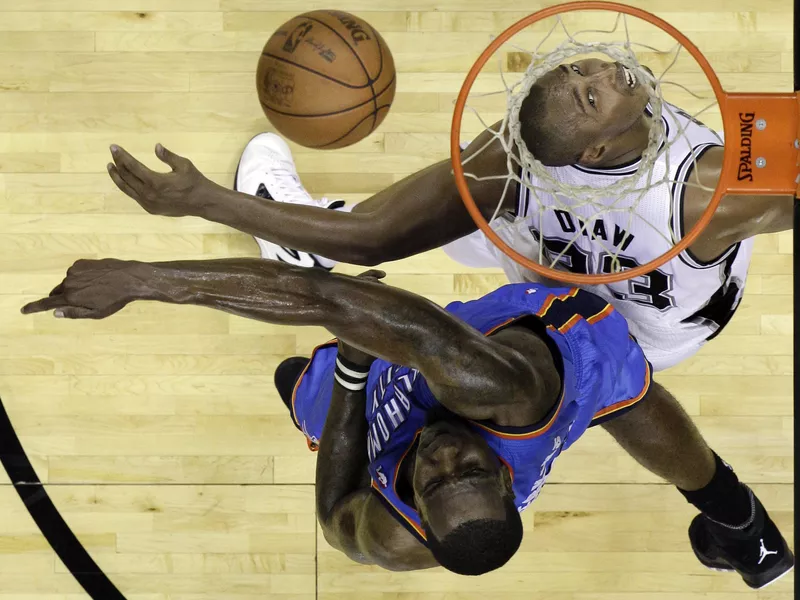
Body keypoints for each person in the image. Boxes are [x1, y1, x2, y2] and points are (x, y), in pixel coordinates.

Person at [21, 258, 794, 585]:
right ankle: (746, 523)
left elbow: (332, 512)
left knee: (296, 381)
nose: (447, 456)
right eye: (470, 468)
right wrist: (145, 281)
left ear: (419, 515)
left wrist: (353, 374)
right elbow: (325, 300)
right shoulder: (484, 390)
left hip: (407, 391)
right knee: (624, 395)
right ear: (501, 473)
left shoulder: (394, 542)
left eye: (435, 478)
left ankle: (747, 533)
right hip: (570, 340)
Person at [102, 58, 792, 372]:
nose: (600, 74)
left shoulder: (512, 157)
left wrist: (204, 201)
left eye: (584, 75)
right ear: (602, 144)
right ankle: (301, 239)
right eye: (586, 93)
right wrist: (202, 201)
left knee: (453, 231)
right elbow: (376, 240)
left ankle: (304, 235)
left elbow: (373, 237)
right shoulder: (713, 191)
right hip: (631, 314)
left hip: (610, 315)